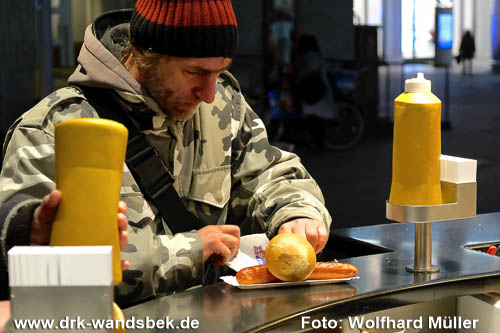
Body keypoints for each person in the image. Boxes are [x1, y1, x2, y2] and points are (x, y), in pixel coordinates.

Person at [0, 0, 332, 307]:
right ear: (145, 55)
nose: (208, 93)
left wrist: (297, 212)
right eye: (196, 72)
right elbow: (47, 271)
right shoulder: (51, 130)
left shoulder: (223, 106)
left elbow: (267, 173)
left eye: (220, 71)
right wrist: (191, 251)